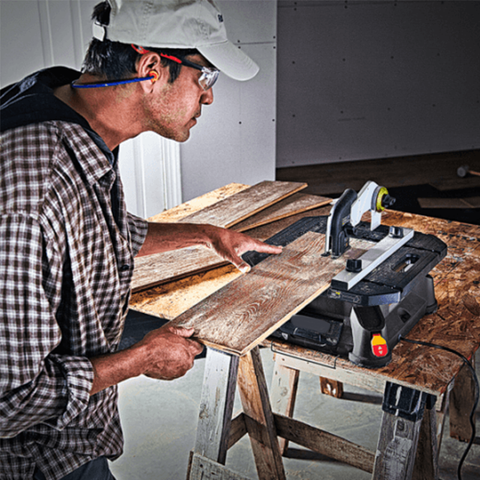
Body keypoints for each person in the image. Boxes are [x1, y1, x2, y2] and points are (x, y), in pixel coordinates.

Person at [0, 1, 282, 479]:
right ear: (151, 67)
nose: (208, 98)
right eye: (205, 77)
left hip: (73, 437)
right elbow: (9, 402)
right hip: (36, 459)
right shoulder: (33, 185)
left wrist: (208, 235)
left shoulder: (72, 118)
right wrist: (141, 358)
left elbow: (100, 234)